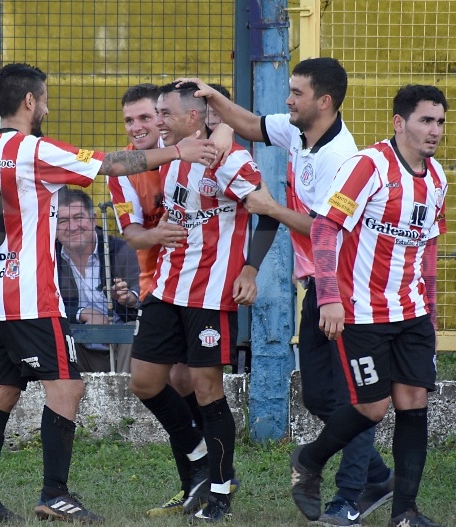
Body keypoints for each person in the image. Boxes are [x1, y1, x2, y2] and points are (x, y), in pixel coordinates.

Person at [0, 63, 217, 524]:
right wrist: (178, 149)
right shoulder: (33, 150)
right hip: (31, 297)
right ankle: (54, 493)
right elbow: (111, 164)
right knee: (67, 388)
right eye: (46, 97)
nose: (48, 106)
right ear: (29, 102)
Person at [184, 57, 395, 526]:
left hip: (344, 287)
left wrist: (270, 209)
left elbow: (327, 230)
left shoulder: (341, 158)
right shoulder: (301, 130)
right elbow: (254, 125)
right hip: (317, 284)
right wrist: (214, 99)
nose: (287, 99)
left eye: (296, 93)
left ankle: (349, 496)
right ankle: (379, 477)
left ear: (324, 101)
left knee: (354, 397)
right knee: (321, 398)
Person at [289, 84, 449, 527]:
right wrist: (329, 299)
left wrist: (431, 317)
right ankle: (309, 460)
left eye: (439, 122)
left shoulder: (437, 178)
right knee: (373, 407)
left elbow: (429, 251)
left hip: (412, 312)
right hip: (362, 312)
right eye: (425, 120)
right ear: (399, 123)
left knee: (415, 403)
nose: (434, 130)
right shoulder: (368, 166)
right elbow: (324, 230)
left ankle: (405, 512)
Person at [126, 81, 279, 523]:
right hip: (168, 288)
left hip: (210, 296)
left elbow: (267, 212)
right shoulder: (174, 156)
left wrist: (250, 269)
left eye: (165, 113)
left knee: (208, 390)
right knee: (144, 381)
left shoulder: (228, 159)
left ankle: (220, 490)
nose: (157, 122)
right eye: (154, 113)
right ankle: (196, 454)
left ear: (194, 117)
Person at [108, 83, 219, 517]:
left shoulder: (194, 146)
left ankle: (203, 482)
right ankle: (199, 465)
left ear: (163, 116)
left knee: (188, 380)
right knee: (151, 381)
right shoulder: (126, 166)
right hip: (157, 283)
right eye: (129, 121)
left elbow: (224, 128)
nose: (136, 127)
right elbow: (131, 231)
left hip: (201, 283)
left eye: (144, 118)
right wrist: (157, 235)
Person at [55, 186, 139, 373]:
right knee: (54, 333)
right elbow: (39, 303)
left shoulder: (121, 249)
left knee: (134, 329)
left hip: (120, 346)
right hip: (78, 347)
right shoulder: (47, 256)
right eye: (63, 221)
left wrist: (128, 297)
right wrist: (81, 313)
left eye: (78, 217)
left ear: (93, 220)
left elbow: (144, 293)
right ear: (53, 228)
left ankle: (124, 393)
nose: (72, 227)